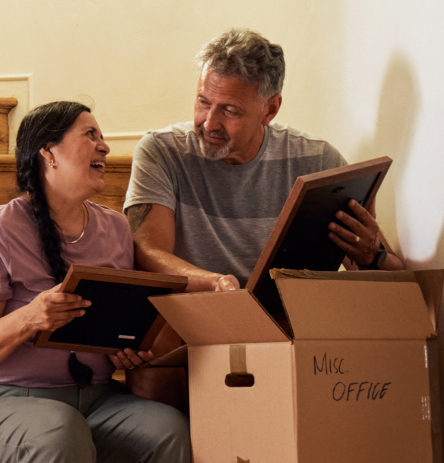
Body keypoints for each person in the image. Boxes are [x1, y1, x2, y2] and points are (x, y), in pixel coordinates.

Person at [0, 101, 190, 463]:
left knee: (166, 429)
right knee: (59, 431)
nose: (104, 146)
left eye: (103, 137)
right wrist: (30, 317)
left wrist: (127, 348)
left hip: (94, 399)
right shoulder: (0, 228)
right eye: (90, 135)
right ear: (48, 152)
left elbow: (113, 321)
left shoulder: (116, 228)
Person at [124, 28, 405, 294]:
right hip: (193, 313)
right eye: (203, 102)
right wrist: (216, 284)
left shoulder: (318, 161)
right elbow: (148, 252)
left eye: (230, 110)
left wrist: (373, 255)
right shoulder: (160, 151)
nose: (209, 123)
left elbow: (394, 277)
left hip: (287, 321)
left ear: (270, 109)